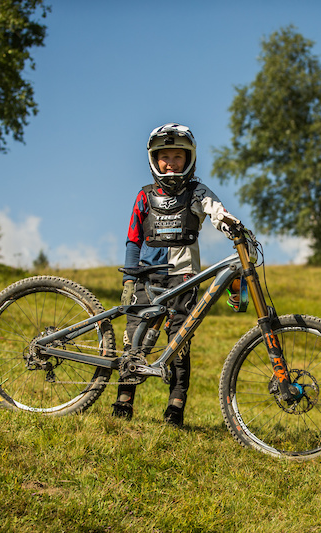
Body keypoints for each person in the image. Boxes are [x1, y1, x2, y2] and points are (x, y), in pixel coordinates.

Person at [112, 122, 240, 428]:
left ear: (190, 159)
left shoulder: (197, 192)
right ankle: (124, 399)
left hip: (185, 279)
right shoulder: (144, 196)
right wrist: (130, 280)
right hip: (147, 278)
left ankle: (175, 407)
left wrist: (233, 227)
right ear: (154, 160)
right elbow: (133, 238)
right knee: (135, 340)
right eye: (164, 157)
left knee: (179, 343)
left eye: (178, 157)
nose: (171, 163)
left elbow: (217, 212)